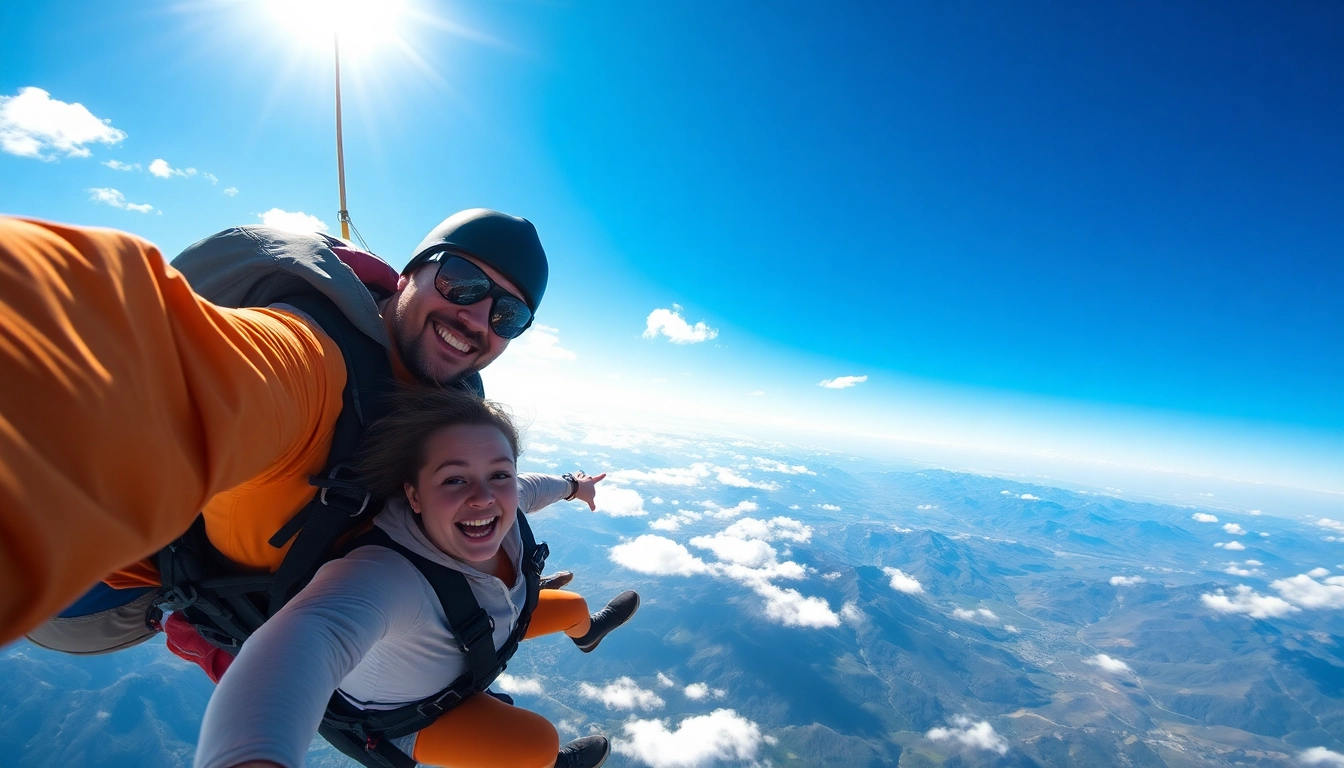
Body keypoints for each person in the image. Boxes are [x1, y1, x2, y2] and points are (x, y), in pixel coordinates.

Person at [0, 209, 551, 647]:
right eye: (461, 281)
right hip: (95, 596)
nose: (477, 318)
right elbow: (180, 370)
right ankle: (194, 639)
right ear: (410, 273)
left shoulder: (450, 409)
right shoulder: (309, 360)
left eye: (509, 315)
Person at [196, 387, 636, 768]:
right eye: (454, 479)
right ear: (413, 495)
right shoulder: (383, 576)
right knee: (539, 743)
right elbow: (304, 642)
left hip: (483, 632)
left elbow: (531, 488)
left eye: (498, 473)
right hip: (413, 712)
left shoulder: (507, 497)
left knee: (575, 608)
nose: (484, 497)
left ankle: (588, 634)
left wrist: (576, 487)